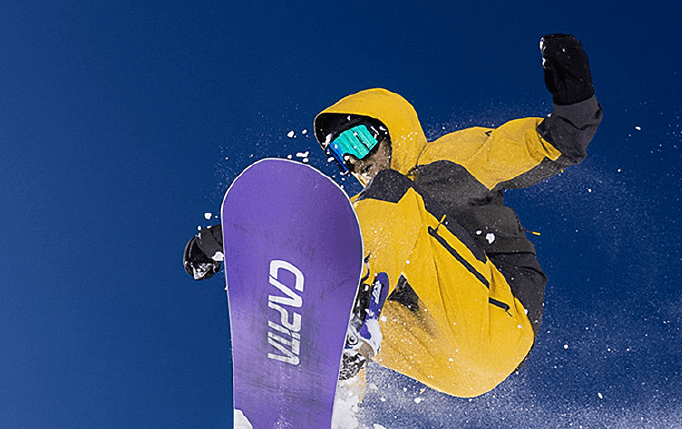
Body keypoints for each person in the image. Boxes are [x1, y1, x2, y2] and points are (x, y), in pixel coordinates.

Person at [186, 34, 601, 398]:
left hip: (497, 321)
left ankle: (353, 323)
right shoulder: (373, 217)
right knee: (327, 288)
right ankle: (336, 425)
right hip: (453, 369)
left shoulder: (446, 161)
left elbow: (551, 143)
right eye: (341, 154)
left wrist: (574, 103)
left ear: (391, 131)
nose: (354, 161)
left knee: (374, 212)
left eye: (359, 140)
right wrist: (235, 239)